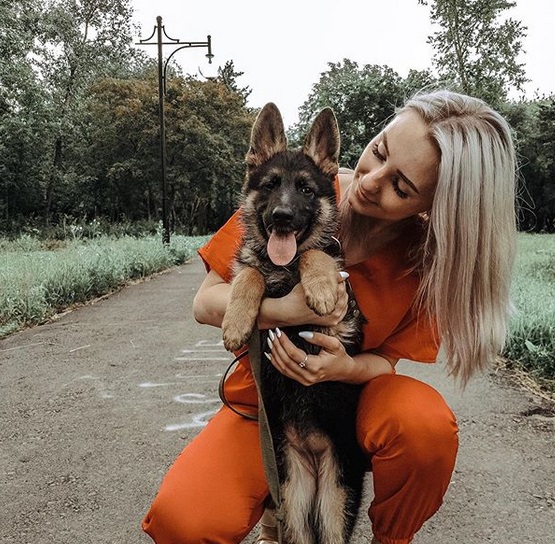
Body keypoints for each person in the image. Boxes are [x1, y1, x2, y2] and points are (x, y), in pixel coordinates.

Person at [141, 89, 517, 544]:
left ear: (435, 205)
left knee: (423, 427)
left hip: (350, 405)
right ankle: (273, 515)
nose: (371, 181)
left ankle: (388, 539)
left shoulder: (427, 263)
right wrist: (280, 309)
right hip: (264, 399)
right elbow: (206, 303)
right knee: (181, 522)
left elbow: (387, 362)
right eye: (378, 151)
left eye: (401, 186)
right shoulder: (292, 189)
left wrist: (344, 367)